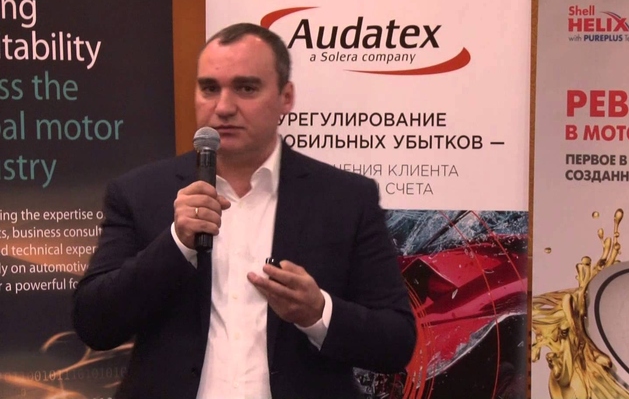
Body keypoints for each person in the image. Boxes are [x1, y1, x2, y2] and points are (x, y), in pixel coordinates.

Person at [72, 22, 417, 399]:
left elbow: (396, 342)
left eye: (246, 88)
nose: (223, 107)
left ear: (286, 97)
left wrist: (318, 313)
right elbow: (94, 325)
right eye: (209, 88)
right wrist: (175, 244)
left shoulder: (346, 199)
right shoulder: (140, 192)